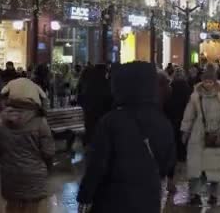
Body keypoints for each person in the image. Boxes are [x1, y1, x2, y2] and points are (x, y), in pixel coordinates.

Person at [77, 62, 176, 213]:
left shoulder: (111, 121)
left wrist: (85, 196)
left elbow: (97, 165)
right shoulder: (163, 122)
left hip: (112, 201)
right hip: (149, 201)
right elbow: (167, 163)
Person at [0, 77, 55, 212]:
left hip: (10, 175)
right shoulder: (40, 121)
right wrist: (45, 168)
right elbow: (48, 152)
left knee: (11, 207)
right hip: (35, 177)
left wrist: (4, 163)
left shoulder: (0, 120)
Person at [180, 66, 220, 206]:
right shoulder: (196, 96)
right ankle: (195, 195)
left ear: (215, 81)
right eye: (206, 81)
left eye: (211, 81)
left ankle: (213, 195)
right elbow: (189, 115)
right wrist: (185, 130)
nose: (208, 83)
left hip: (215, 135)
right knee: (195, 166)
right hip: (198, 135)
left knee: (214, 167)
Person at [164, 66, 192, 193]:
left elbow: (165, 105)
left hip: (170, 123)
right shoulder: (187, 88)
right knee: (183, 150)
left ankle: (170, 179)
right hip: (183, 123)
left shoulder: (169, 88)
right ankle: (186, 180)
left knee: (172, 151)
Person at [79, 64, 113, 146]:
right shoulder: (106, 83)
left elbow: (81, 99)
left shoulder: (89, 84)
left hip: (91, 116)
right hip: (101, 116)